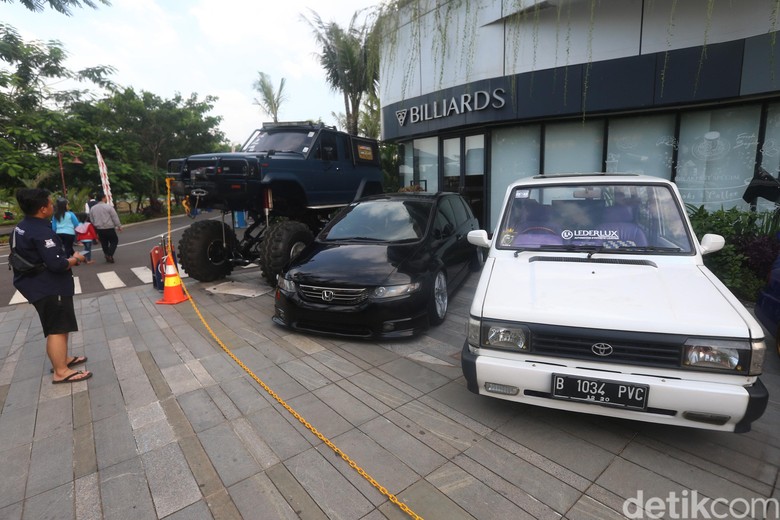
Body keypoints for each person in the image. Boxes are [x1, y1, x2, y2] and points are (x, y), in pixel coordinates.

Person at [11, 188, 92, 384]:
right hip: (48, 286)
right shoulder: (40, 232)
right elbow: (57, 264)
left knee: (58, 327)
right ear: (42, 209)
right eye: (49, 203)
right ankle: (61, 371)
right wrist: (76, 258)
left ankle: (62, 360)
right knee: (57, 328)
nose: (52, 206)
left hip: (35, 283)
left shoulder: (22, 226)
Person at [89, 192, 122, 263]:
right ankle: (109, 255)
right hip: (109, 228)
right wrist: (118, 225)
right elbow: (114, 217)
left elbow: (91, 219)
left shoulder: (93, 208)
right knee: (114, 241)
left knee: (104, 243)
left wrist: (96, 225)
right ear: (103, 198)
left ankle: (108, 255)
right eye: (106, 197)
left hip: (99, 229)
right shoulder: (108, 207)